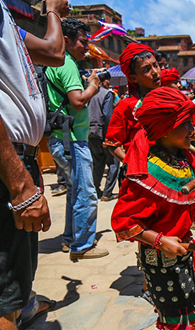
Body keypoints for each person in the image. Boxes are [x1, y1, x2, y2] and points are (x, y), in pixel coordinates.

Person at [111, 87, 195, 330]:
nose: (193, 129)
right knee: (177, 317)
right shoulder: (147, 172)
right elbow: (124, 224)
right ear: (165, 129)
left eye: (191, 121)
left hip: (184, 250)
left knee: (191, 308)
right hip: (162, 257)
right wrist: (159, 241)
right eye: (185, 123)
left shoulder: (183, 157)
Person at [0, 0, 70, 328]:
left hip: (18, 159)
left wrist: (53, 10)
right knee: (5, 299)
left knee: (15, 286)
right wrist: (19, 182)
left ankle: (24, 308)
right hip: (8, 162)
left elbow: (54, 52)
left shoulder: (6, 19)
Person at [45, 18, 108, 260]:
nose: (86, 46)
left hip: (63, 138)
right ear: (67, 40)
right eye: (83, 41)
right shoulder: (67, 64)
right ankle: (82, 246)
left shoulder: (56, 63)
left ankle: (70, 239)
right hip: (71, 140)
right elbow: (78, 100)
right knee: (86, 193)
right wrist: (93, 85)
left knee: (75, 192)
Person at [104, 43, 161, 163]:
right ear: (133, 78)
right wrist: (132, 166)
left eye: (156, 65)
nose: (155, 72)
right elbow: (112, 144)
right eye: (146, 70)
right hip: (141, 173)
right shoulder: (126, 106)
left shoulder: (170, 99)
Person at [88, 79, 120, 201]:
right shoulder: (107, 93)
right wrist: (109, 137)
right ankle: (107, 193)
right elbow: (107, 116)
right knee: (113, 163)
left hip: (91, 133)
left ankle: (95, 190)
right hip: (103, 132)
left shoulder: (88, 93)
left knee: (97, 164)